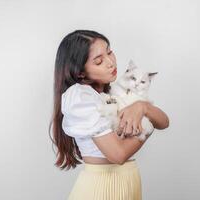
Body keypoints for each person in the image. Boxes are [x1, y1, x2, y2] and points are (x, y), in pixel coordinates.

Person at [49, 30, 169, 200]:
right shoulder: (81, 97)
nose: (111, 62)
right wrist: (146, 127)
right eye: (99, 61)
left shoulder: (110, 92)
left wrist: (143, 107)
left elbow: (164, 122)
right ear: (80, 73)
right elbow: (118, 155)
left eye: (110, 52)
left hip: (126, 183)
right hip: (101, 188)